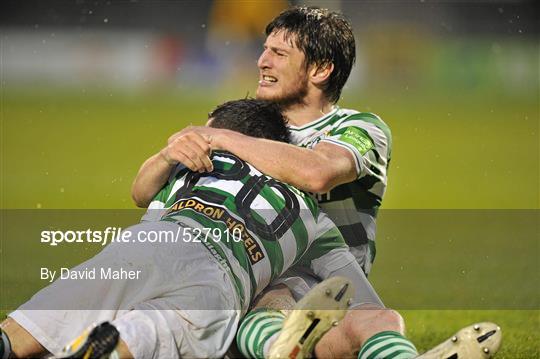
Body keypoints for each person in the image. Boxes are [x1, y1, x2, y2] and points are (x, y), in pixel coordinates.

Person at [0, 99, 380, 359]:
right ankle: (119, 344)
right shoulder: (310, 211)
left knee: (43, 321)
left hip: (163, 239)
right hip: (223, 287)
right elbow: (349, 286)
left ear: (221, 133)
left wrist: (169, 157)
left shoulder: (197, 168)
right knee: (151, 332)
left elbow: (143, 204)